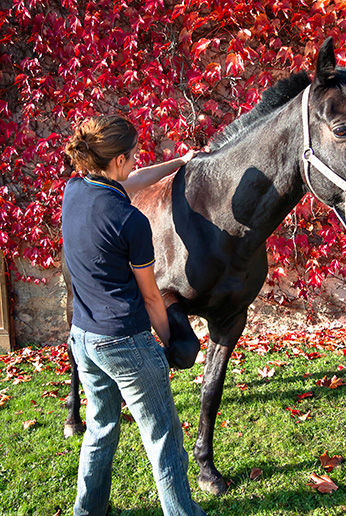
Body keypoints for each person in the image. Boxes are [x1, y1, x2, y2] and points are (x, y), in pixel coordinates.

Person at [62, 115, 207, 516]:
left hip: (84, 339)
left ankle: (88, 511)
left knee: (100, 428)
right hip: (125, 342)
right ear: (119, 159)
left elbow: (134, 179)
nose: (136, 162)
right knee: (163, 435)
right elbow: (152, 297)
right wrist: (169, 340)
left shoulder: (74, 190)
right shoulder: (131, 221)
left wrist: (179, 162)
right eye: (134, 156)